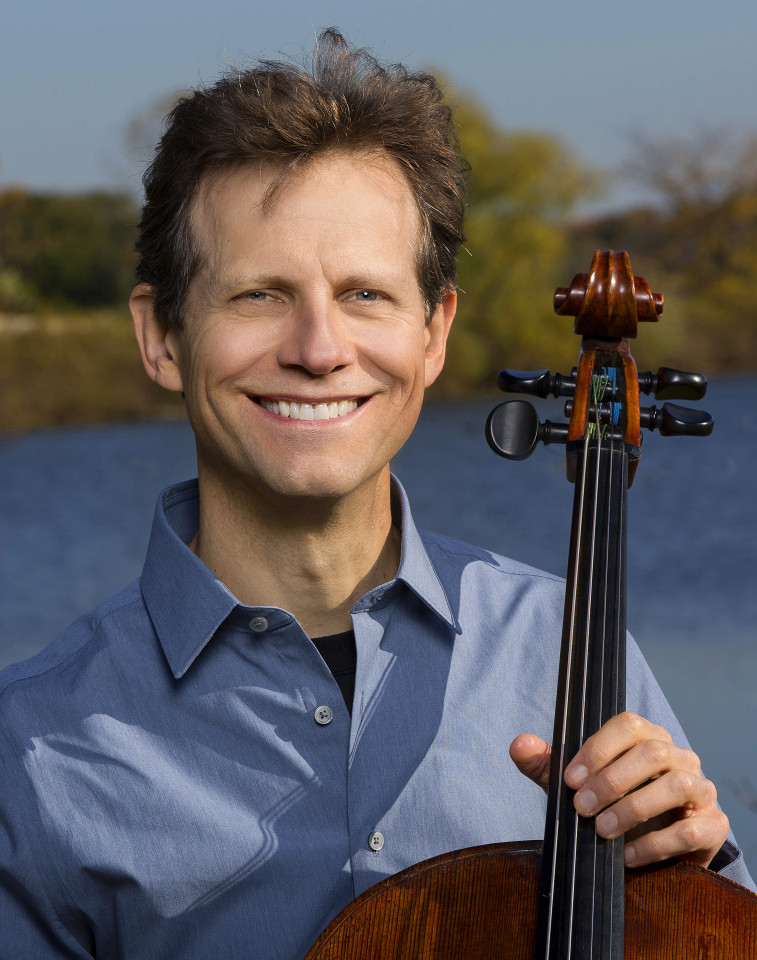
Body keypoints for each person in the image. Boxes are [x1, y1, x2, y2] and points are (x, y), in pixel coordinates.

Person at [0, 29, 752, 960]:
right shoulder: (31, 746)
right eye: (258, 295)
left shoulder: (564, 648)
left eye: (364, 295)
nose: (318, 350)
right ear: (161, 337)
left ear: (433, 334)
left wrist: (690, 875)